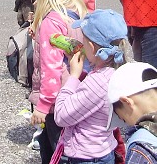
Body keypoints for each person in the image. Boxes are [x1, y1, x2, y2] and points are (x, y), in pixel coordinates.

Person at [29, 0, 88, 164]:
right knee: (71, 144)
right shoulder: (78, 13)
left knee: (54, 150)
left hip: (55, 102)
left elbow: (51, 68)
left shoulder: (51, 22)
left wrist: (42, 106)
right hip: (76, 90)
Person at [53, 9, 129, 164]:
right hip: (103, 149)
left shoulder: (98, 82)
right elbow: (91, 100)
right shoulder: (115, 72)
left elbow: (61, 116)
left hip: (85, 156)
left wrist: (73, 76)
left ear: (92, 47)